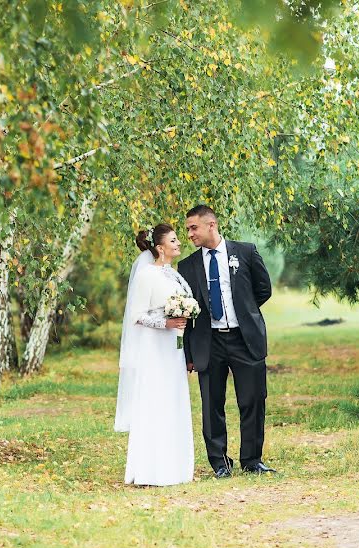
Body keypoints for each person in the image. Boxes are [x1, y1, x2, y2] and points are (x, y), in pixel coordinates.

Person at [178, 205, 275, 477]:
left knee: (253, 399)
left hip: (245, 339)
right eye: (187, 229)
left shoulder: (246, 252)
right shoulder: (187, 266)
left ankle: (252, 460)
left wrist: (244, 312)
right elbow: (187, 310)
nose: (189, 234)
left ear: (211, 225)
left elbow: (263, 289)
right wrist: (188, 353)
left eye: (193, 228)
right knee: (211, 404)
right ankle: (220, 463)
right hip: (209, 343)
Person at [115, 224, 195, 486]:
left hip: (172, 348)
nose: (179, 243)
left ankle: (174, 467)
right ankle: (150, 470)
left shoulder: (173, 275)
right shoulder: (146, 275)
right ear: (160, 248)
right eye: (174, 240)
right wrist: (166, 323)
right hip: (153, 348)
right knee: (154, 401)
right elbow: (136, 315)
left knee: (173, 399)